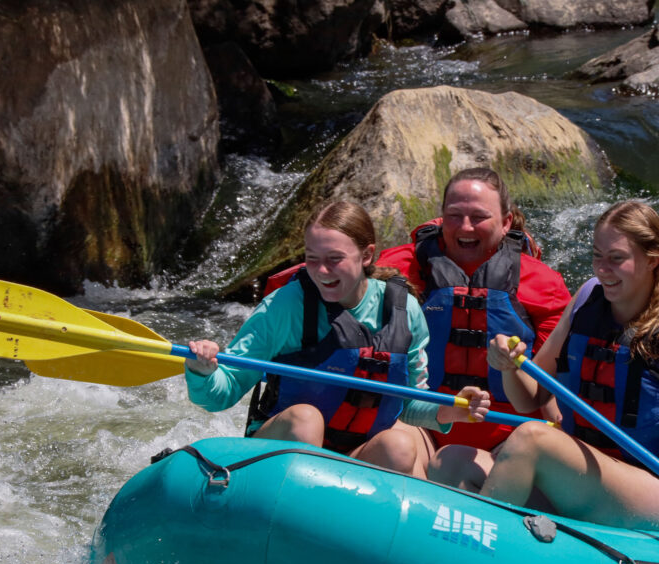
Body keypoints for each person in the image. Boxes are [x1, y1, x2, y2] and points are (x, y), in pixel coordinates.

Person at [473, 200, 659, 531]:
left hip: (656, 490)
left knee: (531, 439)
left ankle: (485, 541)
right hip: (585, 472)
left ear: (651, 261)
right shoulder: (587, 299)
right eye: (597, 256)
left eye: (616, 259)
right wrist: (510, 367)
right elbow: (529, 398)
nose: (601, 269)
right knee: (450, 463)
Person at [184, 200, 490, 478]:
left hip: (355, 451)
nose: (321, 271)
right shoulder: (286, 306)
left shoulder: (403, 310)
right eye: (312, 258)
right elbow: (219, 396)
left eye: (334, 258)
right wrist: (203, 369)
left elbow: (408, 403)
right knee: (306, 420)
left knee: (398, 444)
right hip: (280, 448)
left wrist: (449, 410)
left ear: (367, 255)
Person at [375, 167, 572, 475]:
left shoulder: (544, 284)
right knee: (391, 447)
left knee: (453, 468)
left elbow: (553, 383)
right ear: (441, 218)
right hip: (423, 423)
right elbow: (335, 277)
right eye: (454, 216)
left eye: (479, 217)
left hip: (507, 436)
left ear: (506, 222)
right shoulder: (397, 268)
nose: (465, 227)